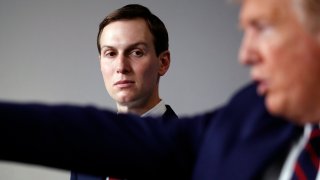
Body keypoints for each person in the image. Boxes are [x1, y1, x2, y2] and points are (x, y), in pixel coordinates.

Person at [0, 0, 319, 179]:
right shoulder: (250, 116)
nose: (245, 54)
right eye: (110, 53)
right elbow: (102, 137)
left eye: (262, 27)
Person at [70, 4, 178, 180]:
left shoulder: (197, 152)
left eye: (136, 52)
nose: (121, 67)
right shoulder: (85, 153)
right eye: (111, 53)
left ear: (163, 62)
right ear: (100, 63)